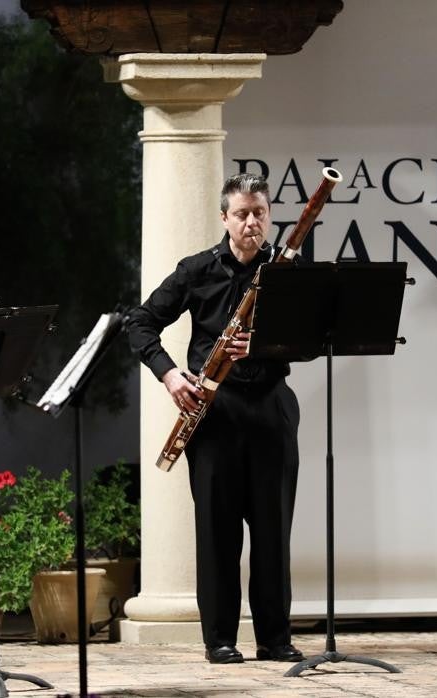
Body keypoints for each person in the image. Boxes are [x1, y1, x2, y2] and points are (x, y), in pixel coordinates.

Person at [127, 173, 303, 665]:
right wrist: (169, 376)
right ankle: (220, 640)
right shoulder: (198, 269)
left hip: (270, 406)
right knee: (217, 531)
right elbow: (138, 323)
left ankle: (275, 639)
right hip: (215, 410)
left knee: (272, 530)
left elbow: (311, 340)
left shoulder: (287, 270)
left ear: (269, 217)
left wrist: (267, 345)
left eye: (260, 213)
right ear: (225, 218)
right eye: (242, 213)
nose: (252, 222)